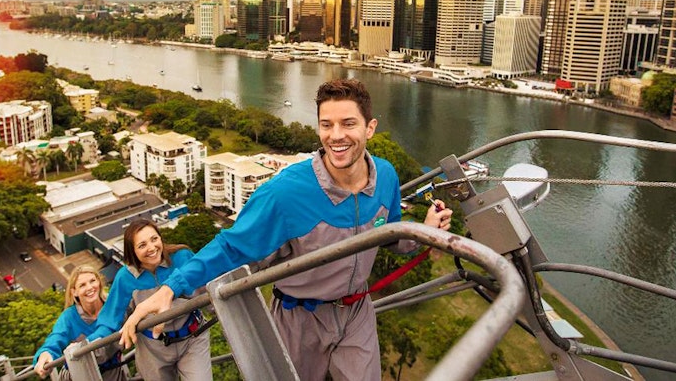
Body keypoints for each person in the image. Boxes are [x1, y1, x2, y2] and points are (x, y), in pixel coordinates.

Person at [119, 78, 453, 381]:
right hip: (298, 319)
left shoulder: (386, 177)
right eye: (326, 125)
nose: (336, 135)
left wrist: (424, 231)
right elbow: (231, 247)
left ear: (370, 128)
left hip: (357, 313)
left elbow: (390, 233)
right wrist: (170, 289)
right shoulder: (284, 193)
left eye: (348, 123)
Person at [89, 218, 212, 381]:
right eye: (142, 245)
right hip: (152, 349)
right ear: (132, 251)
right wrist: (88, 346)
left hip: (192, 337)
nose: (151, 248)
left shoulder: (181, 257)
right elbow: (110, 320)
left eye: (154, 239)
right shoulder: (125, 279)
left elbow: (208, 288)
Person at [33, 265, 125, 380]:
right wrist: (46, 353)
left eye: (92, 281)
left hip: (112, 370)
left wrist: (81, 346)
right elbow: (57, 337)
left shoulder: (113, 305)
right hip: (79, 375)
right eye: (82, 285)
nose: (89, 287)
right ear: (74, 292)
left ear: (99, 282)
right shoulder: (69, 317)